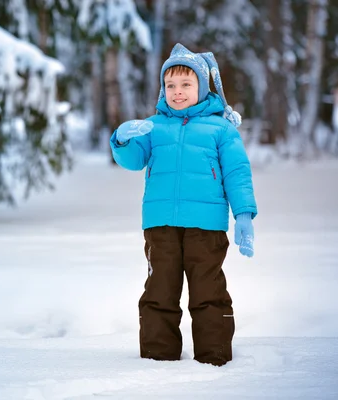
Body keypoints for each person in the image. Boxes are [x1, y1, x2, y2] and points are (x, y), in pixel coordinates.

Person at [110, 43, 257, 366]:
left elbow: (236, 173)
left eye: (186, 85)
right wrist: (121, 140)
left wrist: (243, 214)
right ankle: (157, 357)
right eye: (170, 85)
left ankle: (214, 355)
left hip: (206, 225)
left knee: (208, 291)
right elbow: (134, 160)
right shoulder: (154, 126)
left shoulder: (220, 128)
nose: (177, 92)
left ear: (202, 88)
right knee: (159, 290)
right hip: (160, 223)